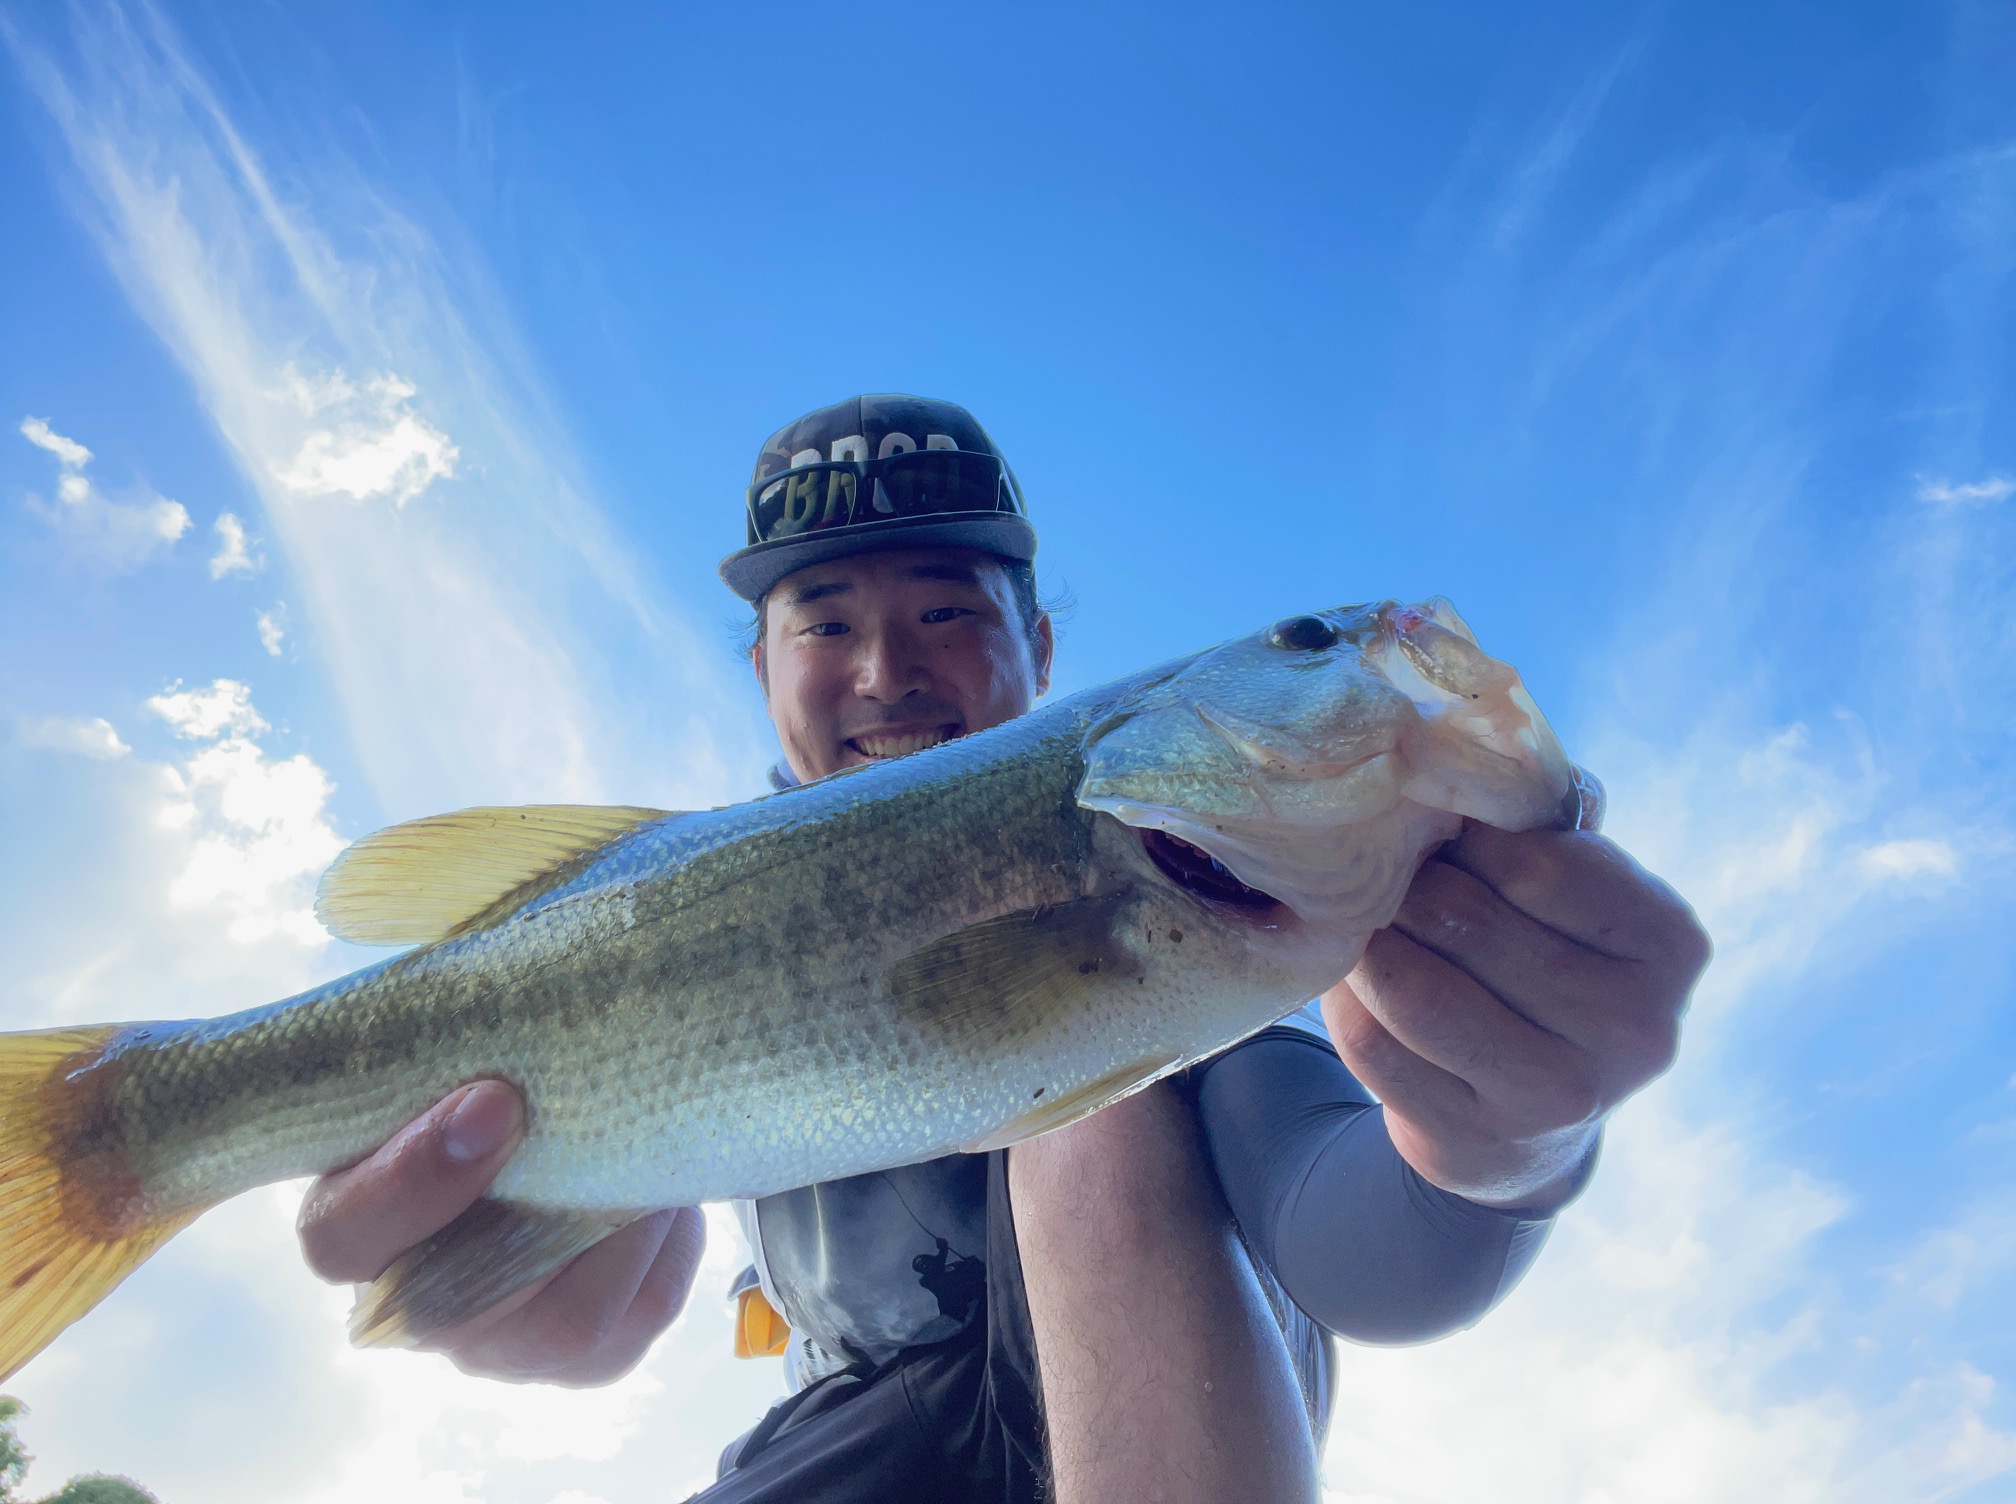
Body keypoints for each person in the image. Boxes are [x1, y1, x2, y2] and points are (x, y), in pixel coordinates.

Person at [296, 396, 1709, 1503]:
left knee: (1087, 1115)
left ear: (1039, 648)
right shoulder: (656, 949)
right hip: (839, 1435)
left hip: (1146, 1426)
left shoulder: (1210, 915)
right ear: (761, 666)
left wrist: (1506, 1146)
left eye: (947, 613)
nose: (885, 671)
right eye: (824, 623)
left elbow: (1372, 1254)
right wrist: (519, 1267)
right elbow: (595, 1298)